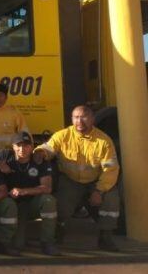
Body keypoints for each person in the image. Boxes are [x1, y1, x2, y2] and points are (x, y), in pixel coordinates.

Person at [35, 105, 121, 252]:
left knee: (111, 200)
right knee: (60, 205)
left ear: (92, 119)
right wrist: (40, 152)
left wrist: (99, 191)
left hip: (96, 181)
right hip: (70, 180)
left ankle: (106, 236)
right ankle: (59, 230)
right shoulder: (63, 135)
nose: (79, 121)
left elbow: (111, 169)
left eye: (84, 117)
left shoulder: (104, 141)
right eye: (76, 117)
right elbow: (49, 147)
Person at [0, 132, 60, 255]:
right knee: (18, 244)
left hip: (30, 205)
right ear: (13, 146)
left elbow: (47, 188)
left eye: (26, 145)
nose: (22, 149)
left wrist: (24, 191)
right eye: (18, 145)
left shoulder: (39, 160)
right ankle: (3, 243)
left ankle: (48, 242)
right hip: (10, 205)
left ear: (32, 147)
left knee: (48, 200)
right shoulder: (4, 155)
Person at [0, 83, 29, 151]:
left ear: (6, 97)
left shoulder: (15, 113)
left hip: (10, 152)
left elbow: (24, 133)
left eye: (1, 95)